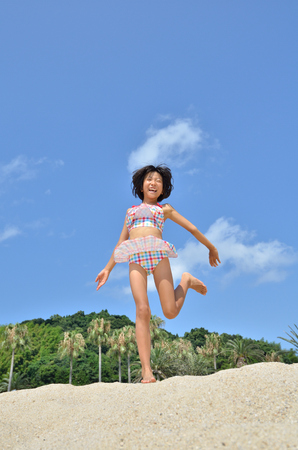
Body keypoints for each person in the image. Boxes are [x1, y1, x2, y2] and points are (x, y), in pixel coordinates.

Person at [95, 165, 220, 383]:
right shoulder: (131, 212)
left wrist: (211, 247)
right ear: (141, 186)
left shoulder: (165, 210)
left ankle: (186, 280)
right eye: (149, 179)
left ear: (163, 189)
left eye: (158, 181)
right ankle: (147, 371)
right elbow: (121, 242)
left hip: (158, 255)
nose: (153, 183)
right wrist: (107, 268)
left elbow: (192, 228)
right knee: (142, 309)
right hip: (135, 257)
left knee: (170, 312)